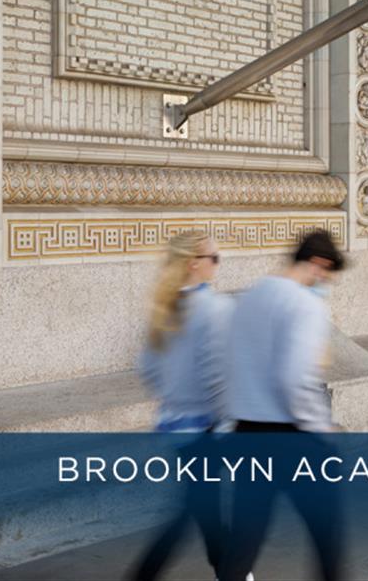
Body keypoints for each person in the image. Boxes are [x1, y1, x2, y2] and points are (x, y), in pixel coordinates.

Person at [221, 230, 346, 581]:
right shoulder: (304, 304)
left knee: (245, 535)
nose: (326, 281)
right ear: (319, 263)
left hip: (247, 430)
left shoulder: (251, 295)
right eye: (328, 273)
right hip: (292, 436)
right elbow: (294, 379)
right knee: (326, 531)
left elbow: (230, 362)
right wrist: (321, 427)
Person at [130, 234, 229, 580]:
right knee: (191, 513)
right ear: (194, 263)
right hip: (206, 428)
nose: (219, 264)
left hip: (175, 425)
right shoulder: (213, 308)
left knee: (204, 510)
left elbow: (148, 368)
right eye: (215, 258)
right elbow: (218, 375)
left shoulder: (165, 307)